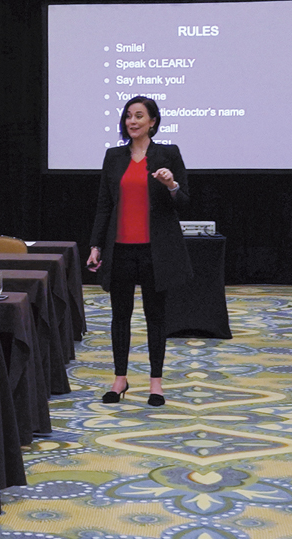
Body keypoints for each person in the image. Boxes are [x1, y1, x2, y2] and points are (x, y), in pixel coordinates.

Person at [87, 95, 192, 407]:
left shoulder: (167, 154)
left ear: (153, 122)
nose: (132, 121)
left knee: (155, 316)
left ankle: (156, 384)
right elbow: (104, 206)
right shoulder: (114, 157)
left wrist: (171, 184)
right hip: (119, 249)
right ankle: (120, 379)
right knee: (120, 315)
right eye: (128, 116)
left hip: (154, 250)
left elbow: (184, 201)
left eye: (139, 116)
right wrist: (95, 244)